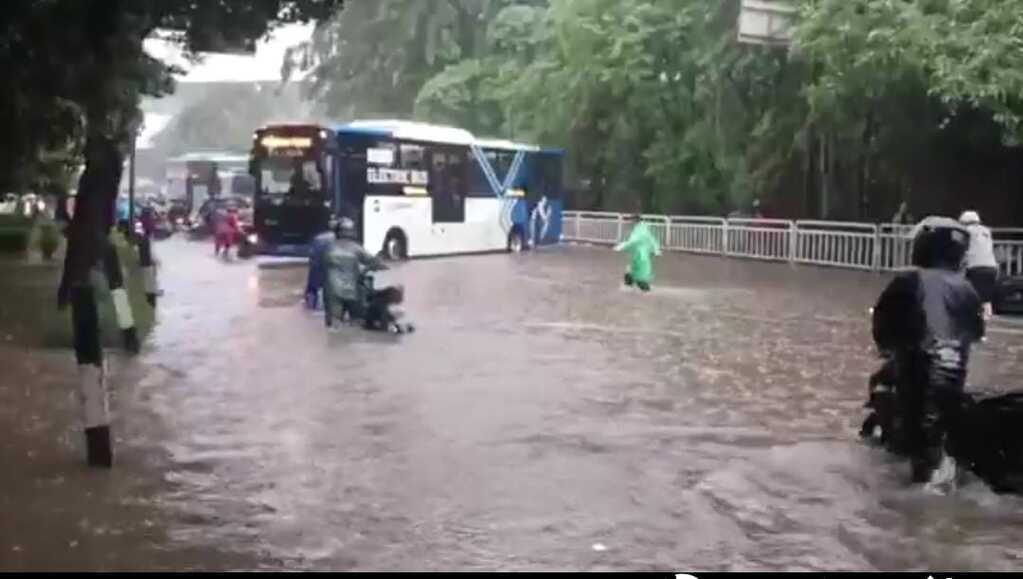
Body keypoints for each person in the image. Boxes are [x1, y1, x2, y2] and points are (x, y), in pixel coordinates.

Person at [871, 216, 985, 484]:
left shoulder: (908, 279)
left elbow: (882, 324)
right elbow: (976, 333)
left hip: (918, 374)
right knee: (933, 441)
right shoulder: (967, 288)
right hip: (953, 379)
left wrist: (888, 347)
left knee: (918, 450)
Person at [323, 217, 386, 330]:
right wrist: (376, 266)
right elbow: (375, 262)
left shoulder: (328, 247)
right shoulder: (356, 248)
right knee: (357, 323)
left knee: (333, 326)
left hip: (332, 291)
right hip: (352, 291)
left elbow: (319, 267)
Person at [959, 210, 999, 319]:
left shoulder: (966, 231)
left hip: (975, 267)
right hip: (991, 267)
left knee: (971, 296)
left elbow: (962, 250)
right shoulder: (986, 231)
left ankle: (974, 323)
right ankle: (985, 322)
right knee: (986, 297)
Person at [614, 214, 662, 292]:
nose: (630, 223)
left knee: (639, 273)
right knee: (633, 270)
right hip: (639, 254)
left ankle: (639, 287)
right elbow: (652, 239)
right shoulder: (642, 228)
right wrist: (656, 250)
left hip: (640, 254)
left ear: (635, 221)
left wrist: (621, 247)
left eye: (631, 221)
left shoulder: (640, 230)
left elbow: (634, 241)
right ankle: (631, 285)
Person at [305, 217, 337, 310]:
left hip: (319, 268)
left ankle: (311, 304)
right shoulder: (344, 240)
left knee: (313, 288)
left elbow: (312, 255)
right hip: (336, 270)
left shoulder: (318, 238)